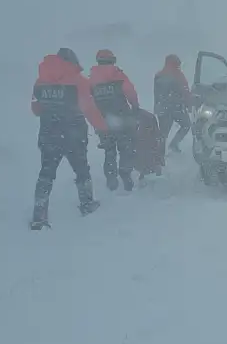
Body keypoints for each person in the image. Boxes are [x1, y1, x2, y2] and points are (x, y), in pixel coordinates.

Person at [29, 48, 102, 230]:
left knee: (46, 173)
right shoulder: (79, 82)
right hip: (73, 135)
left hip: (48, 133)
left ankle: (39, 215)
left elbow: (36, 110)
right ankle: (86, 204)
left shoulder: (40, 82)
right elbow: (90, 110)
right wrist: (103, 129)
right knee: (81, 170)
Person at [88, 49, 139, 191]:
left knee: (109, 151)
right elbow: (130, 92)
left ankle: (111, 178)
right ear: (112, 60)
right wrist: (135, 107)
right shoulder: (118, 75)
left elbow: (88, 102)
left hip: (103, 122)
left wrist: (96, 122)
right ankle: (125, 173)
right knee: (125, 148)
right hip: (122, 118)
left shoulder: (91, 79)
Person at [154, 54, 193, 153]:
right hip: (176, 108)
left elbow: (156, 93)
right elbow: (185, 91)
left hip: (162, 108)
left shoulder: (159, 75)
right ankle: (174, 144)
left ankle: (160, 156)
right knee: (186, 125)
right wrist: (189, 105)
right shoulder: (178, 75)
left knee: (163, 134)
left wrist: (157, 106)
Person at [134, 108, 165, 186]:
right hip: (145, 145)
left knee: (149, 154)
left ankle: (149, 175)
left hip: (146, 145)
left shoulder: (148, 118)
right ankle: (149, 175)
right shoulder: (148, 118)